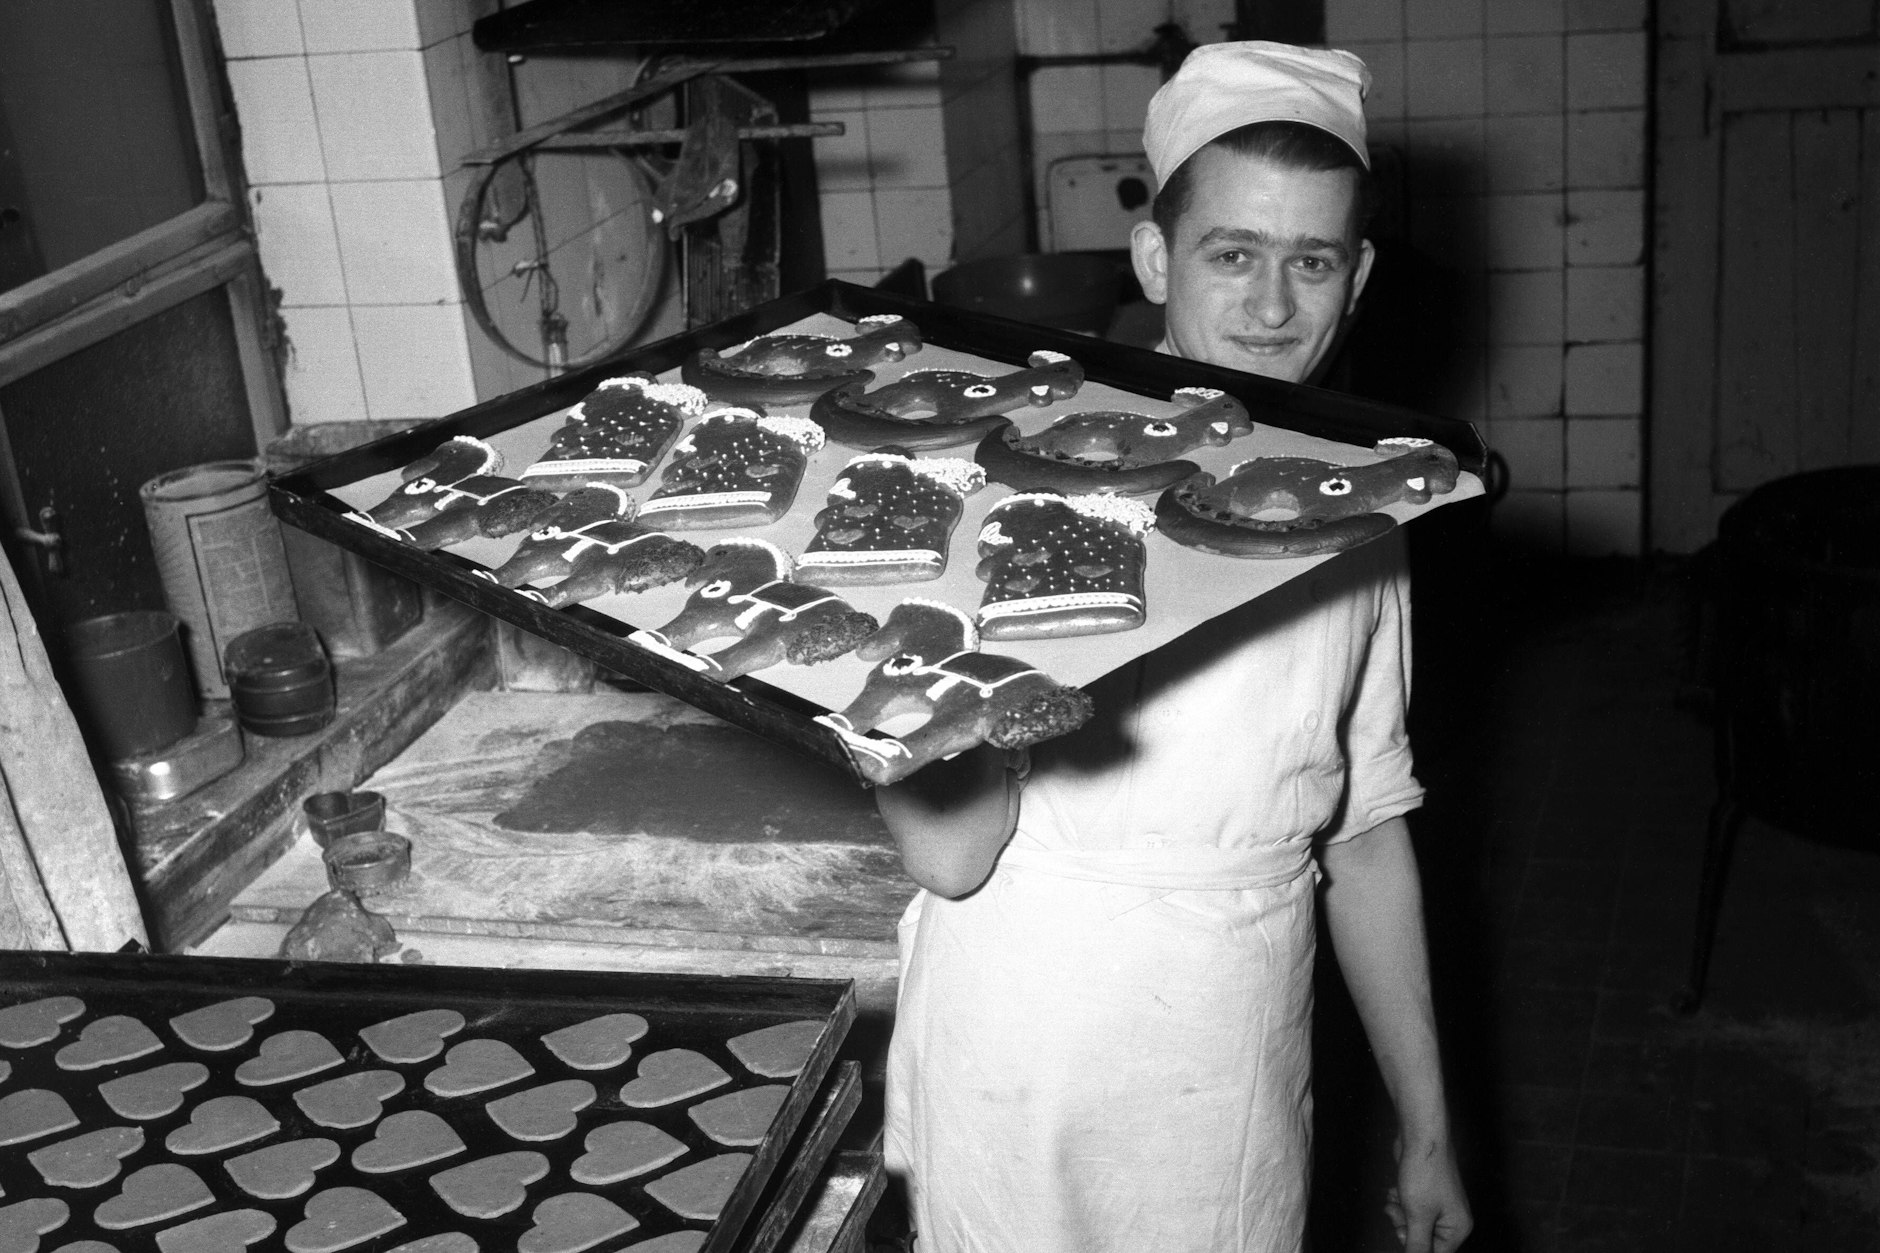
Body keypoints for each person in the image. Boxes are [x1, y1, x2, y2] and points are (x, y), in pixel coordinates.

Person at [874, 41, 1472, 1253]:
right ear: (1155, 256)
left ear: (1355, 275)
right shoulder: (1022, 483)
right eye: (1231, 253)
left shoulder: (1365, 510)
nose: (1269, 307)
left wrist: (1426, 1123)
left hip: (1237, 1046)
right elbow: (946, 855)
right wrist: (913, 689)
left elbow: (1362, 830)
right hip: (1027, 1049)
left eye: (1309, 261)